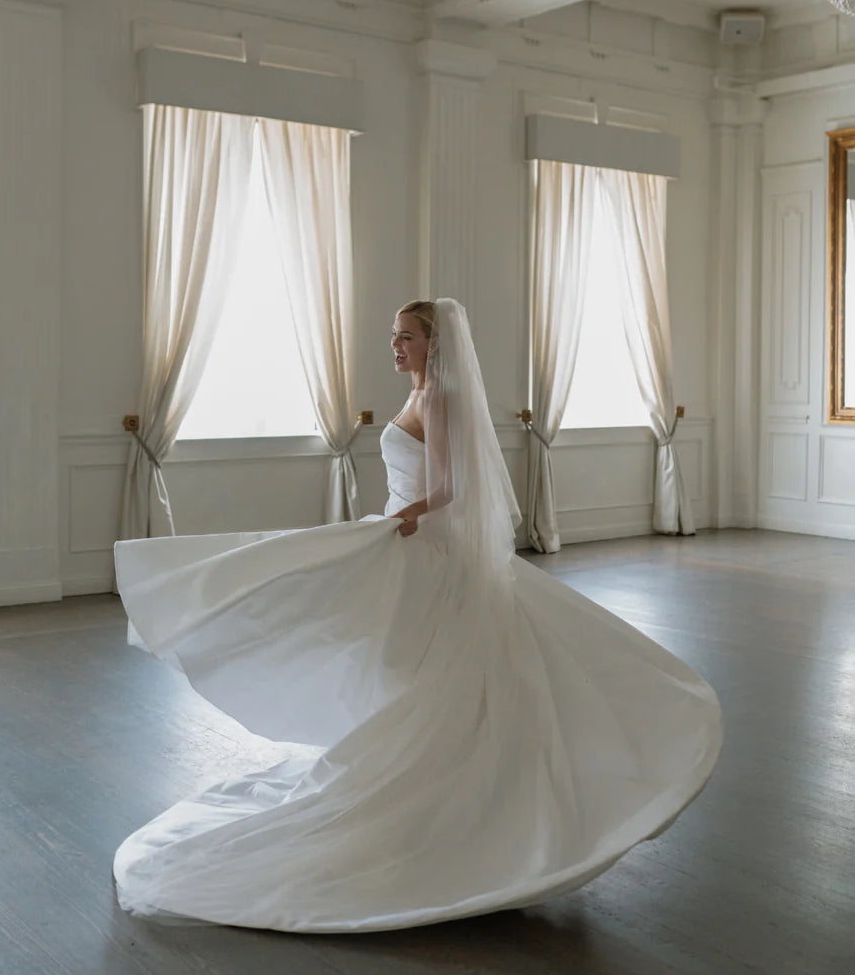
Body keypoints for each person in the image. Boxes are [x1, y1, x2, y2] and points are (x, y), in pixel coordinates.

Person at [112, 298, 722, 932]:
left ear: (436, 344)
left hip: (421, 541)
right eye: (393, 336)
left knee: (422, 661)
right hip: (406, 537)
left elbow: (453, 488)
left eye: (407, 337)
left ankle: (450, 786)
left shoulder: (436, 401)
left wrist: (402, 519)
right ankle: (411, 756)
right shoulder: (421, 397)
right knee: (360, 636)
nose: (396, 346)